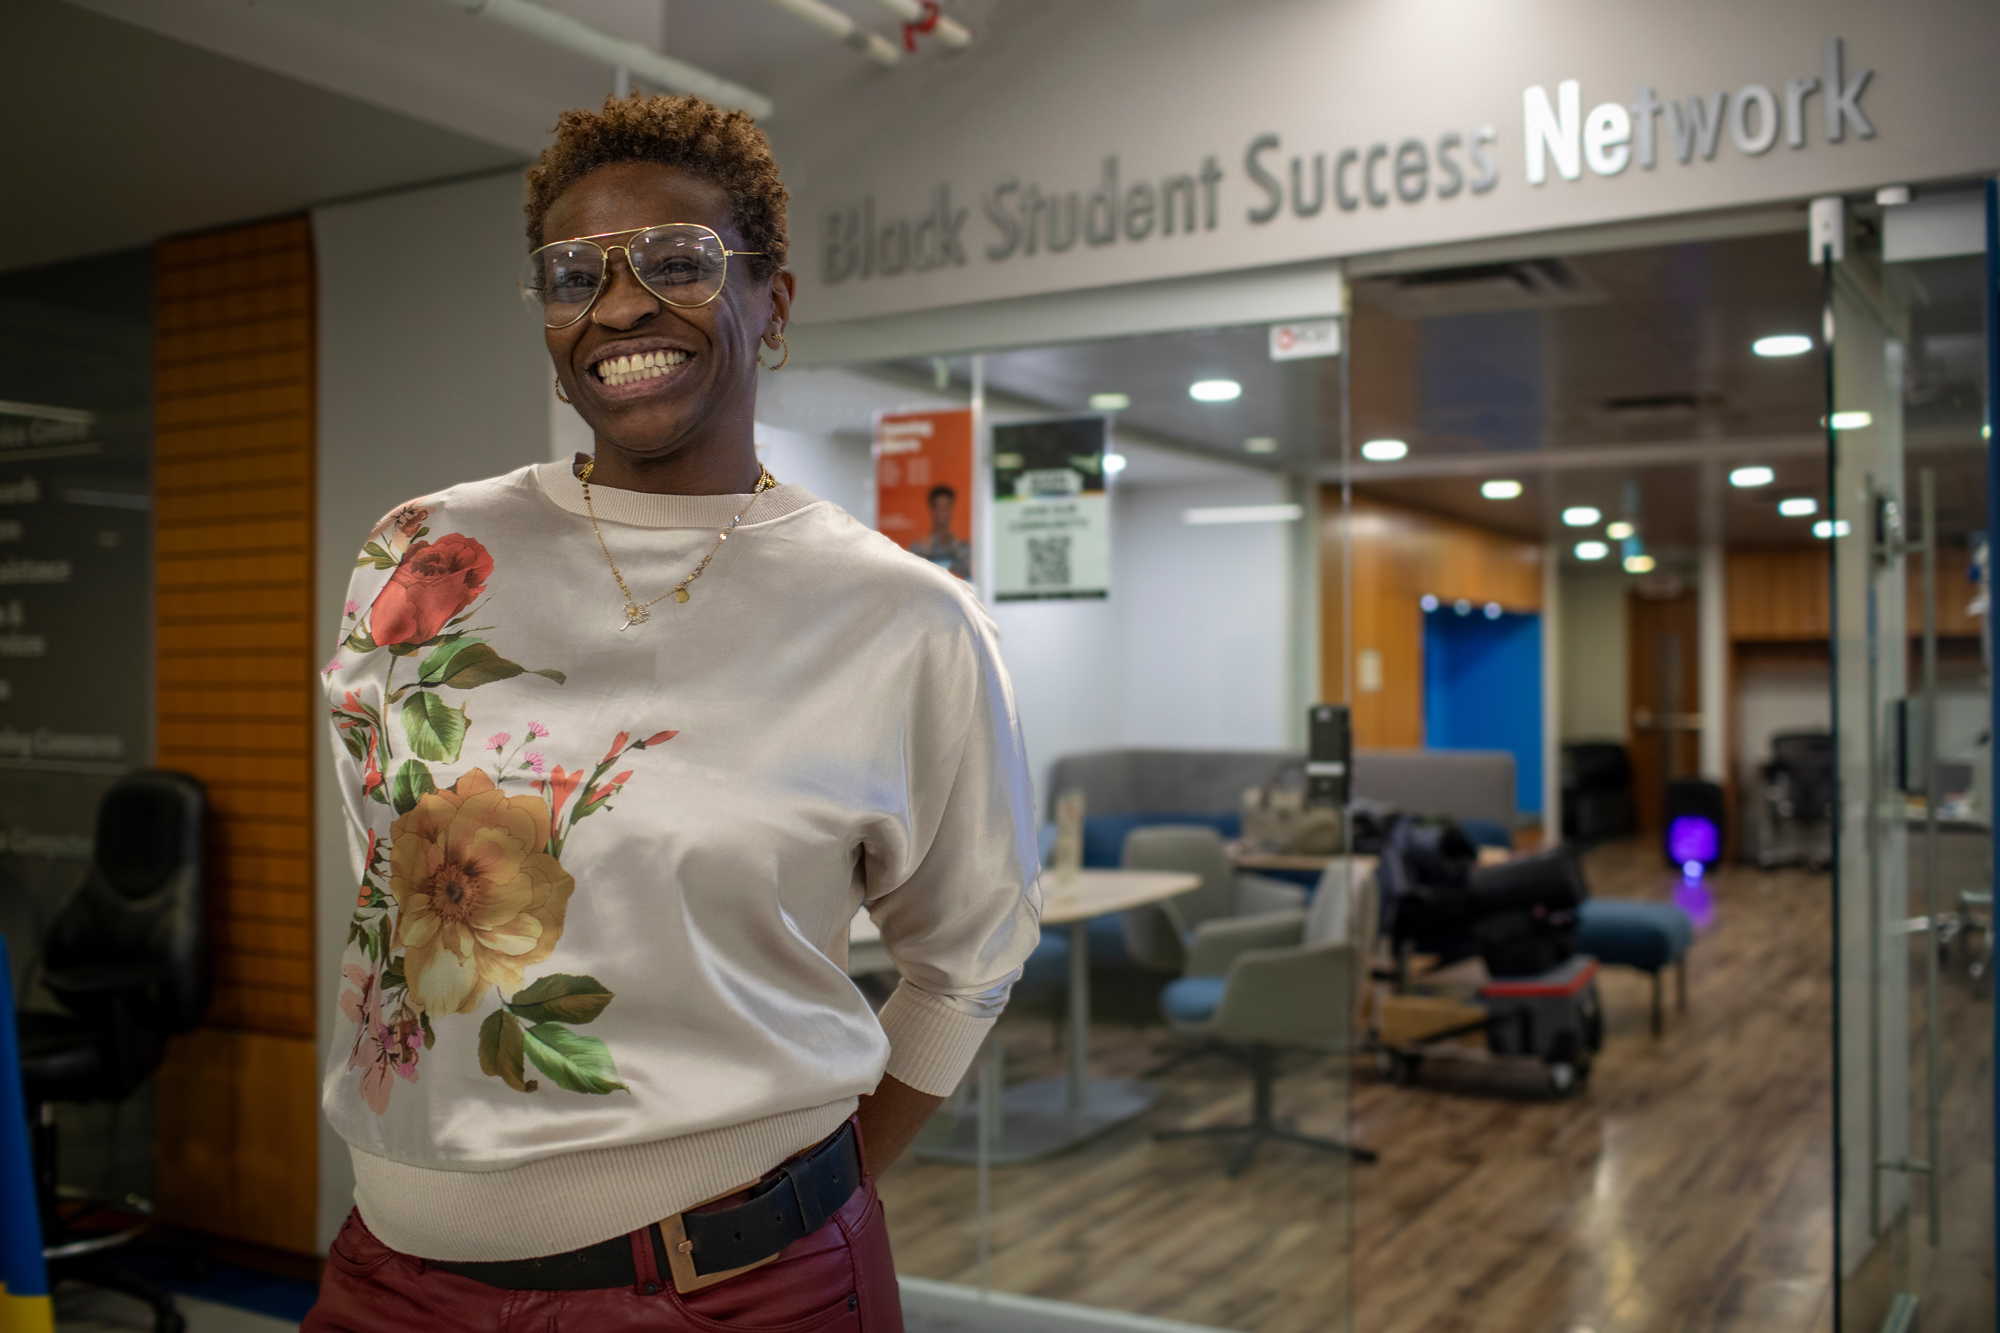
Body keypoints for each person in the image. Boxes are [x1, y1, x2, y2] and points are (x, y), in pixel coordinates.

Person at [305, 93, 1040, 1332]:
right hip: (390, 1275)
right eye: (574, 272)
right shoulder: (419, 549)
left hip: (726, 1290)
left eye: (681, 261)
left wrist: (805, 1192)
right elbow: (387, 893)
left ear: (774, 301)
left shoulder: (902, 618)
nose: (622, 302)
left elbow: (970, 954)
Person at [905, 484, 972, 580]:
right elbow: (912, 577)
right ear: (932, 509)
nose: (942, 512)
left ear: (951, 509)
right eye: (938, 507)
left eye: (946, 507)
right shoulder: (919, 547)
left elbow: (969, 575)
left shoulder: (962, 547)